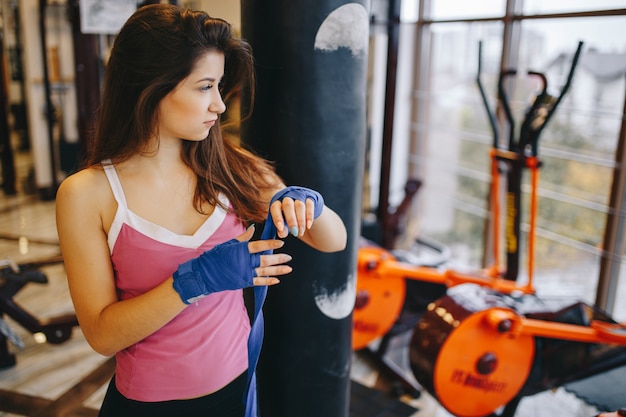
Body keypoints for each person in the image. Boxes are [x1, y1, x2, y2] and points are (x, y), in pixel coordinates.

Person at [55, 4, 347, 417]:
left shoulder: (231, 167)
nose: (220, 106)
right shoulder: (87, 194)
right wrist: (195, 280)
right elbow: (102, 335)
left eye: (219, 87)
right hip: (149, 406)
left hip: (235, 391)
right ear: (150, 87)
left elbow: (334, 241)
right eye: (204, 86)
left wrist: (307, 203)